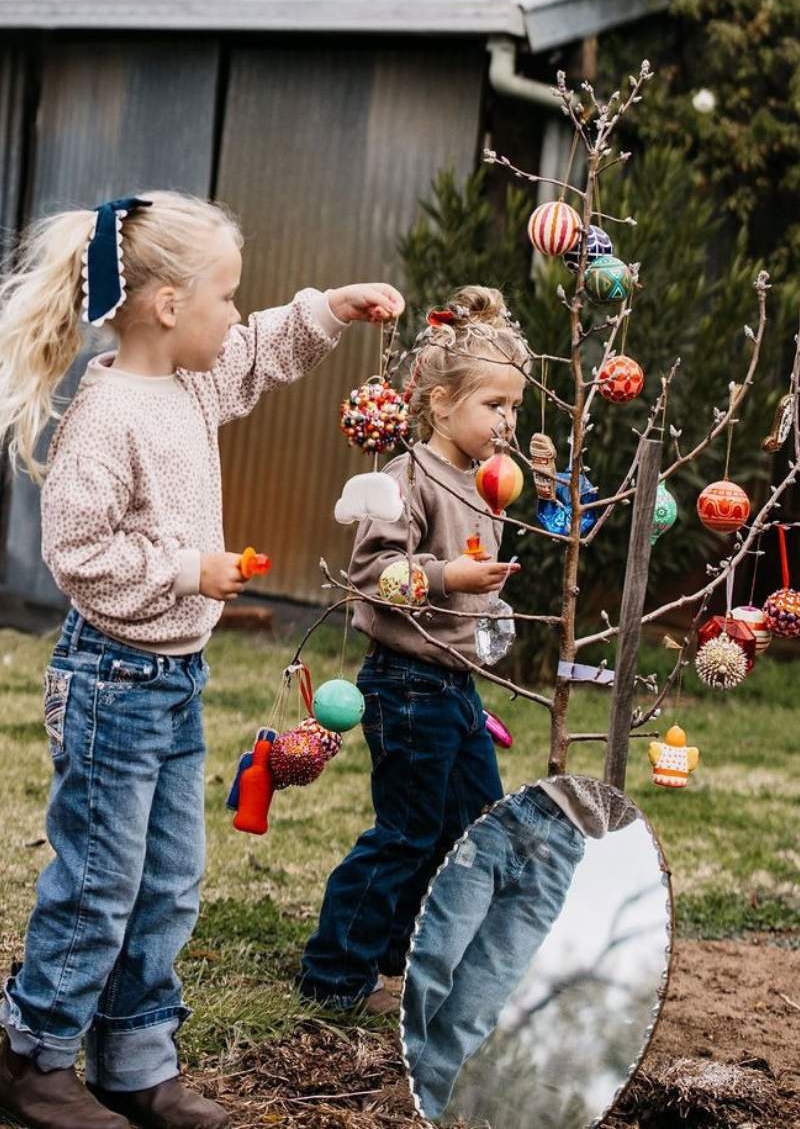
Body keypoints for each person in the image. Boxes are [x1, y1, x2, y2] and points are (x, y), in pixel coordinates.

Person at [0, 191, 403, 1129]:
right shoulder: (107, 417)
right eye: (226, 295)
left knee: (169, 881)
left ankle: (136, 1060)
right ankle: (32, 1056)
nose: (237, 312)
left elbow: (257, 352)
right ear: (167, 305)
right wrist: (191, 569)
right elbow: (80, 556)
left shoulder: (189, 383)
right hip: (111, 681)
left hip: (174, 681)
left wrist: (328, 308)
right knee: (101, 880)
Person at [297, 286, 527, 1013]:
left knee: (473, 823)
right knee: (406, 831)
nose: (507, 421)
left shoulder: (488, 484)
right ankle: (333, 974)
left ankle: (394, 950)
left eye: (515, 407)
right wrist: (448, 575)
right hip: (405, 685)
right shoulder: (406, 480)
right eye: (494, 406)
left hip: (456, 691)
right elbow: (371, 573)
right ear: (440, 406)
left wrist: (543, 477)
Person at [402, 775, 638, 1121]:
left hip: (562, 853)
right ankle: (394, 1070)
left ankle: (416, 1110)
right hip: (513, 817)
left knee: (477, 1004)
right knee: (435, 956)